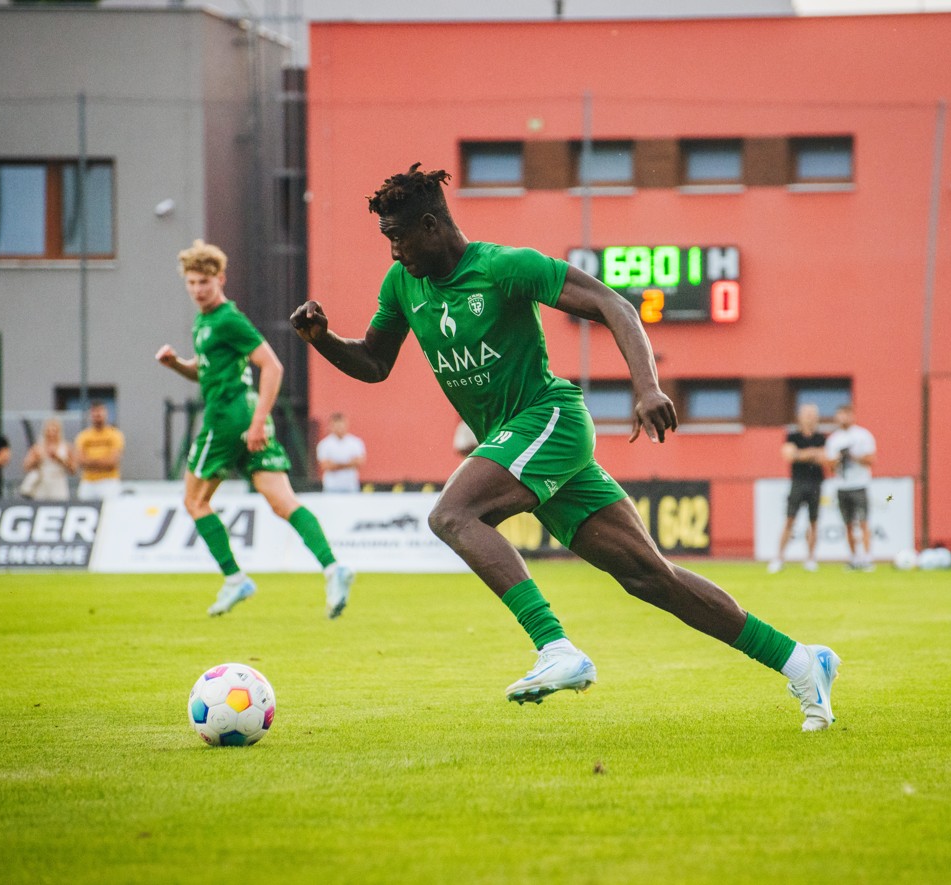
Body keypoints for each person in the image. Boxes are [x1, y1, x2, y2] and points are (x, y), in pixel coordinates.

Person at [290, 163, 841, 731]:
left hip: (549, 419)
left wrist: (647, 386)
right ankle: (802, 662)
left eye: (398, 238)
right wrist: (323, 340)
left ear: (431, 226)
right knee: (651, 577)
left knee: (453, 514)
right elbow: (375, 363)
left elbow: (616, 305)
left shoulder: (505, 267)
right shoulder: (403, 286)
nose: (393, 253)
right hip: (518, 444)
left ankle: (555, 647)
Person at [156, 239, 354, 619]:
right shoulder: (204, 322)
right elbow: (205, 370)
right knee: (283, 502)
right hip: (245, 417)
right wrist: (176, 364)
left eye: (205, 282)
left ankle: (234, 578)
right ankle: (334, 567)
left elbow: (272, 365)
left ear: (221, 280)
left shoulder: (228, 319)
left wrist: (260, 420)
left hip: (227, 418)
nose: (198, 289)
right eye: (192, 283)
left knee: (194, 502)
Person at [768, 403, 827, 573]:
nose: (809, 417)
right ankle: (779, 558)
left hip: (816, 483)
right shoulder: (792, 436)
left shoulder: (821, 437)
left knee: (814, 522)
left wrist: (802, 454)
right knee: (789, 520)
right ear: (799, 417)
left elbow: (825, 458)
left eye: (812, 414)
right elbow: (789, 455)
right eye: (806, 413)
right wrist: (812, 454)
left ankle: (810, 559)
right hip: (798, 483)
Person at [824, 404, 877, 571]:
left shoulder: (863, 435)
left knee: (863, 522)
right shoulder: (834, 439)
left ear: (852, 416)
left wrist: (853, 456)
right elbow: (830, 465)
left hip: (859, 485)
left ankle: (867, 558)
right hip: (842, 486)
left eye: (846, 415)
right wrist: (840, 458)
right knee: (847, 524)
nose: (843, 418)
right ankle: (854, 558)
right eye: (840, 415)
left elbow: (871, 459)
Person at [74, 401, 125, 500]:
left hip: (109, 481)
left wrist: (91, 462)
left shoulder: (115, 434)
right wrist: (101, 461)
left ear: (106, 413)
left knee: (111, 509)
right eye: (94, 412)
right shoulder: (83, 436)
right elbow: (80, 461)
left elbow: (112, 462)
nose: (97, 415)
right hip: (88, 482)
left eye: (100, 411)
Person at [21, 417, 76, 501]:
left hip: (58, 483)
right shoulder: (37, 448)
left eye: (54, 431)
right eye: (49, 431)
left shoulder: (66, 447)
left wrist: (59, 459)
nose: (51, 434)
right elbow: (26, 467)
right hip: (43, 482)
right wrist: (36, 460)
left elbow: (73, 470)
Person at [316, 412, 366, 492]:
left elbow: (359, 462)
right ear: (331, 426)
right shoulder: (324, 444)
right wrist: (349, 463)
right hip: (331, 487)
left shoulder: (355, 442)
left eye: (341, 425)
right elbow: (325, 466)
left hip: (351, 486)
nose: (339, 428)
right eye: (336, 425)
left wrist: (335, 464)